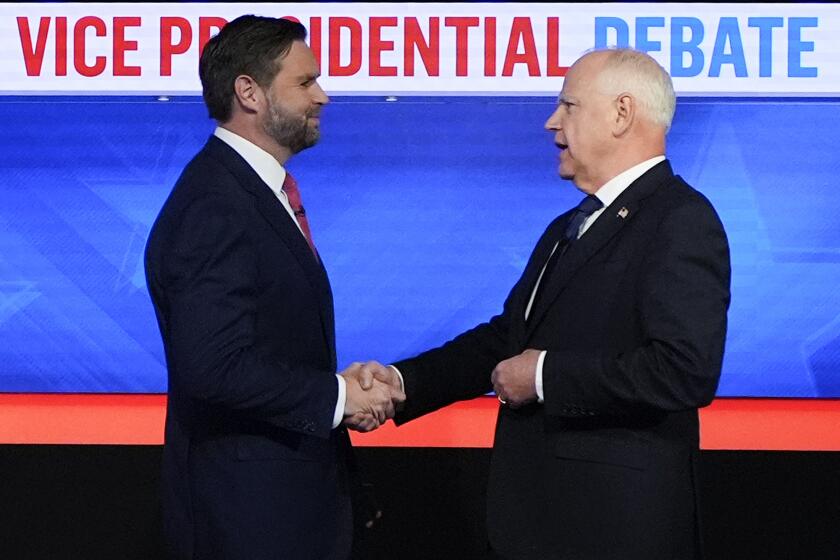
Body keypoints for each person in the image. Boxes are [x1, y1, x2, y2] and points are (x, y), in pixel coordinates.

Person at [366, 48, 731, 559]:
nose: (551, 121)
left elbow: (684, 370)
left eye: (569, 105)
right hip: (542, 525)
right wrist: (402, 383)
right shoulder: (567, 227)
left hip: (615, 530)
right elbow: (508, 338)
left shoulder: (680, 220)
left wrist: (545, 378)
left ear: (622, 114)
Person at [144, 15, 402, 560]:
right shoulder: (216, 204)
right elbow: (211, 366)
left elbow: (264, 345)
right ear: (249, 93)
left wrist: (335, 383)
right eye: (305, 82)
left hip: (281, 509)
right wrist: (336, 397)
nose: (324, 97)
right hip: (246, 520)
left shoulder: (250, 192)